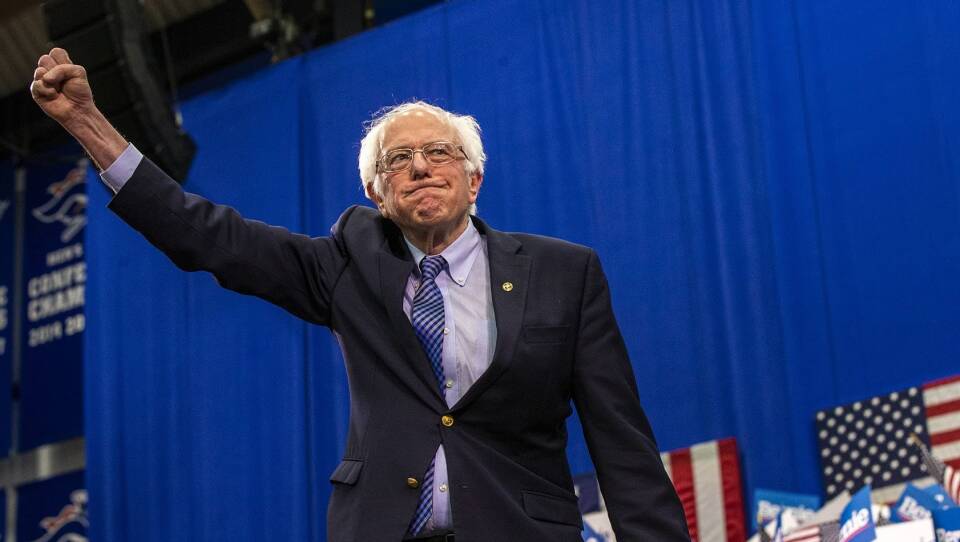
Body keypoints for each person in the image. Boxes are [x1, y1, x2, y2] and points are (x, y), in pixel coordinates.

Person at [31, 47, 690, 541]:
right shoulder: (348, 267)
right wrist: (89, 124)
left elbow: (621, 443)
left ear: (474, 180)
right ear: (376, 193)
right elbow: (209, 237)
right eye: (398, 160)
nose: (420, 166)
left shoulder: (563, 274)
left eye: (439, 152)